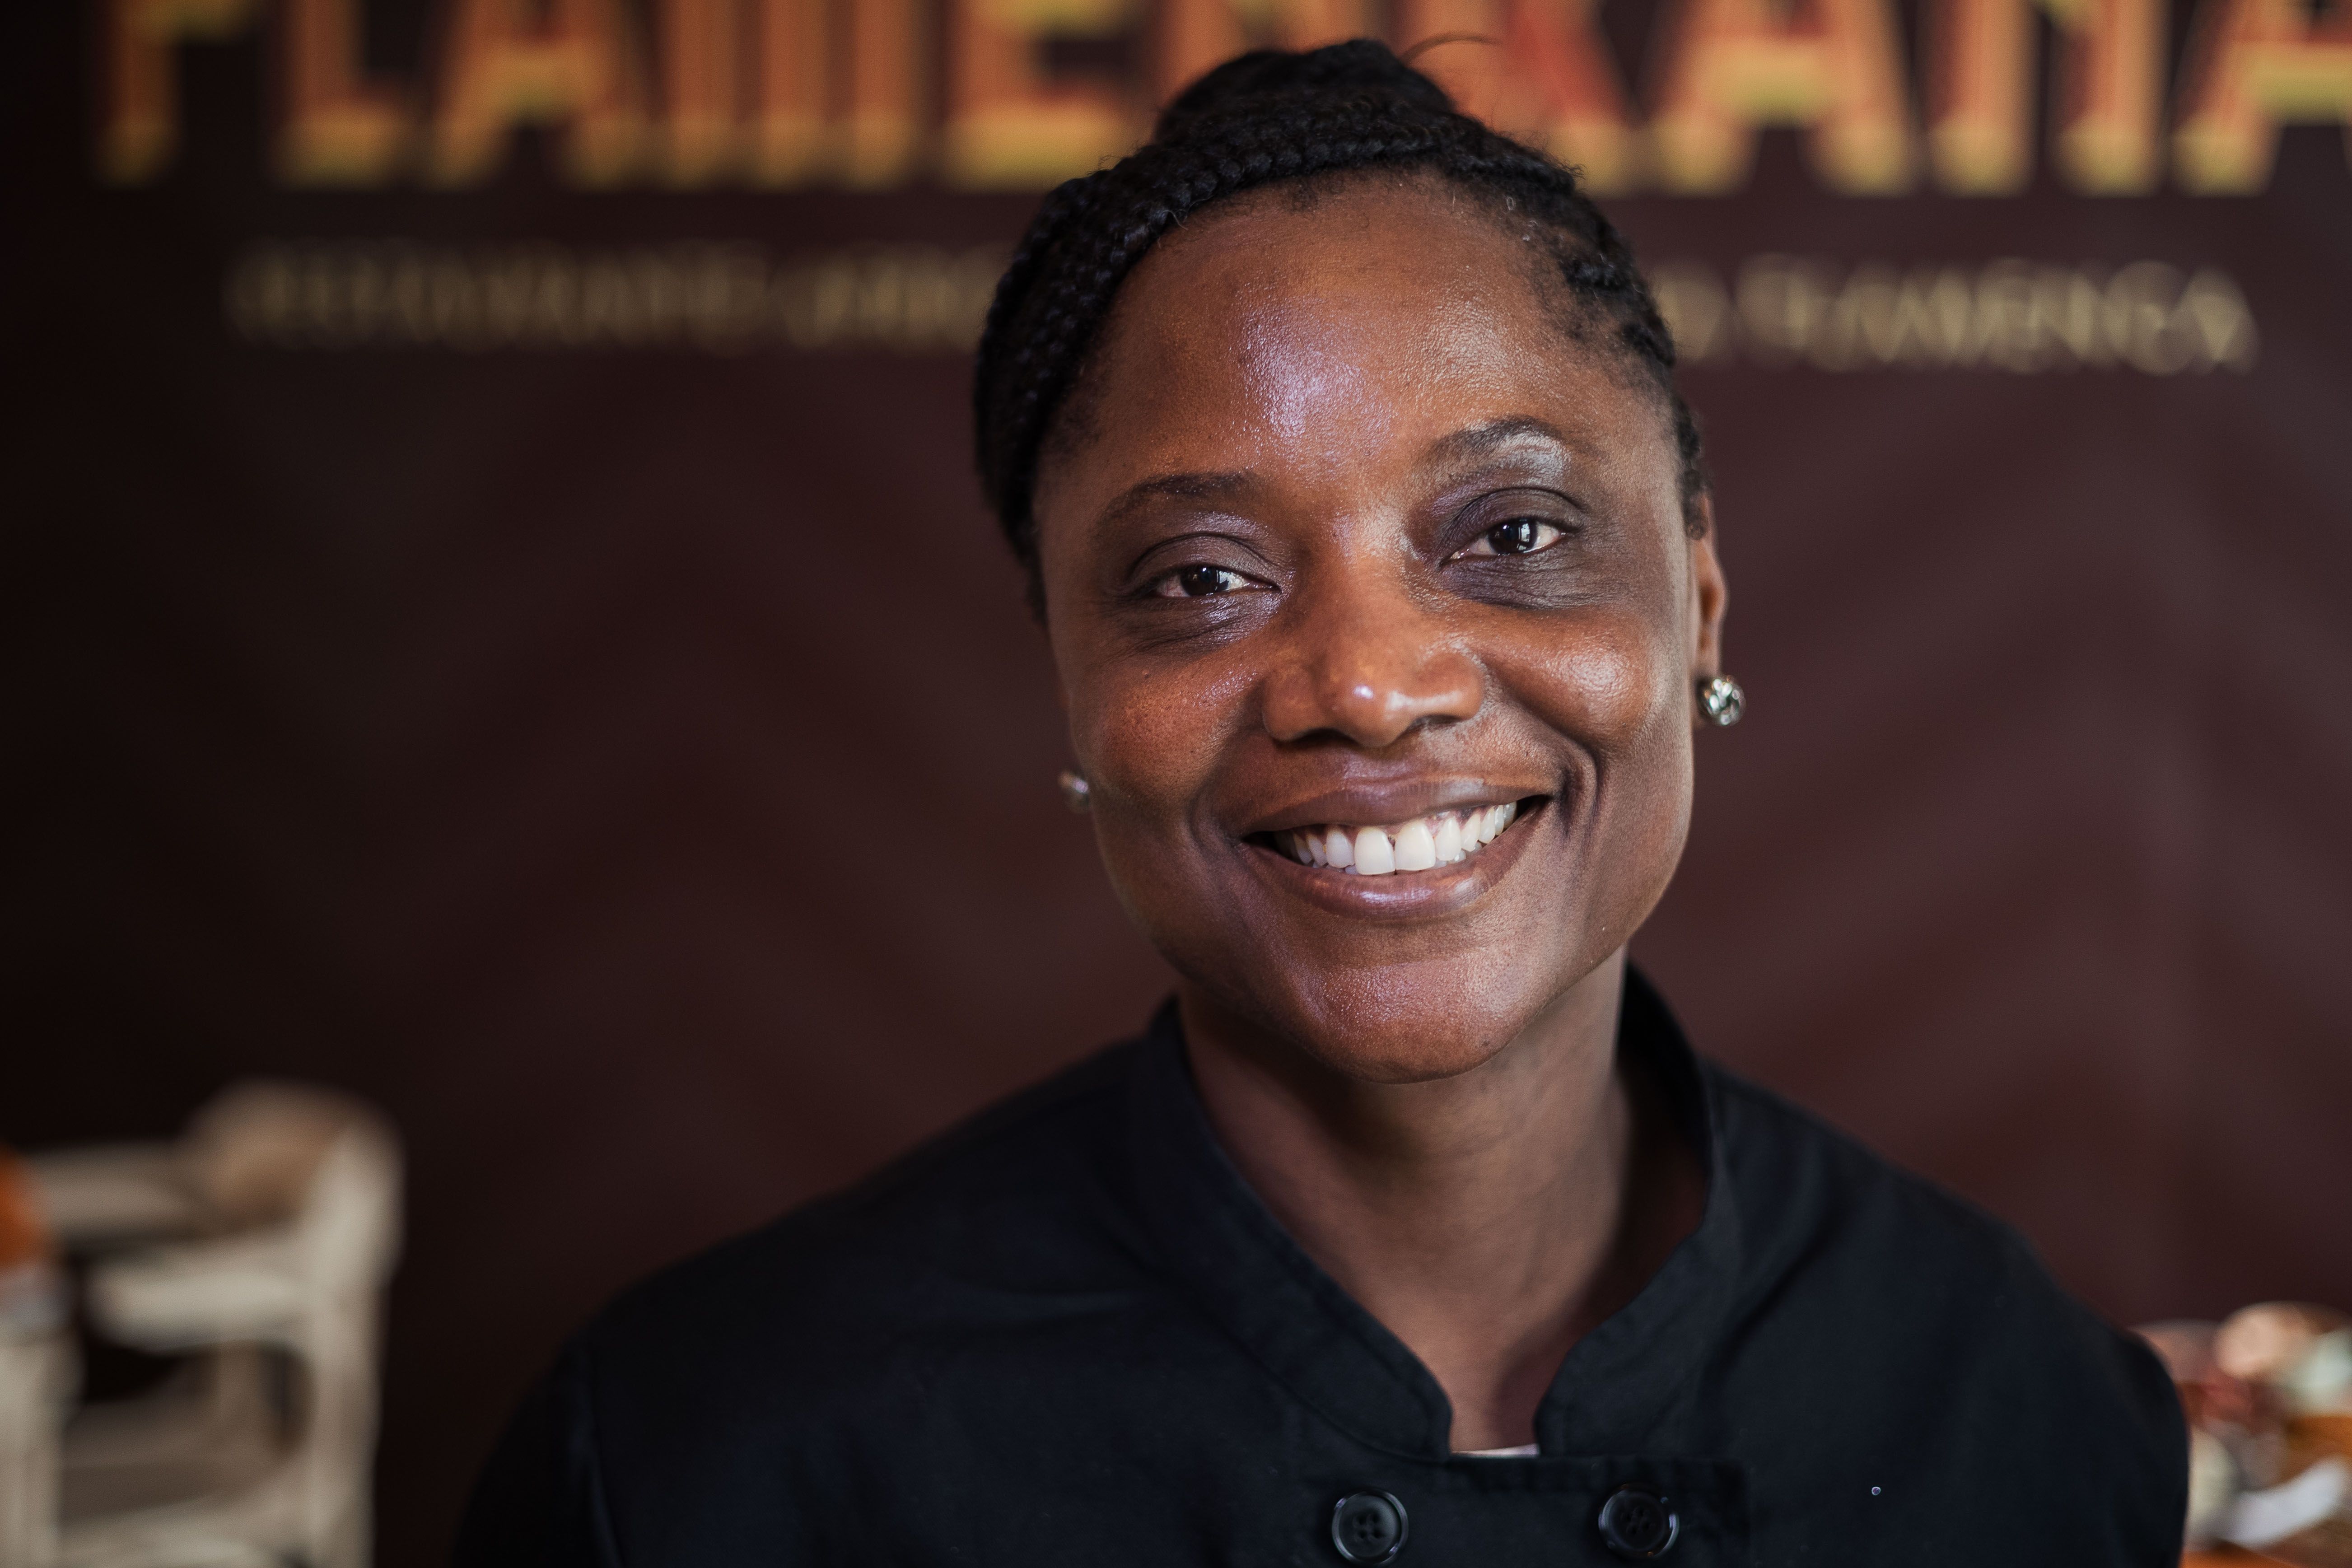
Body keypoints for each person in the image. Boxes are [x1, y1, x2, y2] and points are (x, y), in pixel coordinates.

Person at [456, 41, 2186, 1565]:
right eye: (1202, 578)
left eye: (1511, 534)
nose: (1367, 683)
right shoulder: (707, 1465)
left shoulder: (2029, 1415)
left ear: (1701, 607)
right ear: (1074, 688)